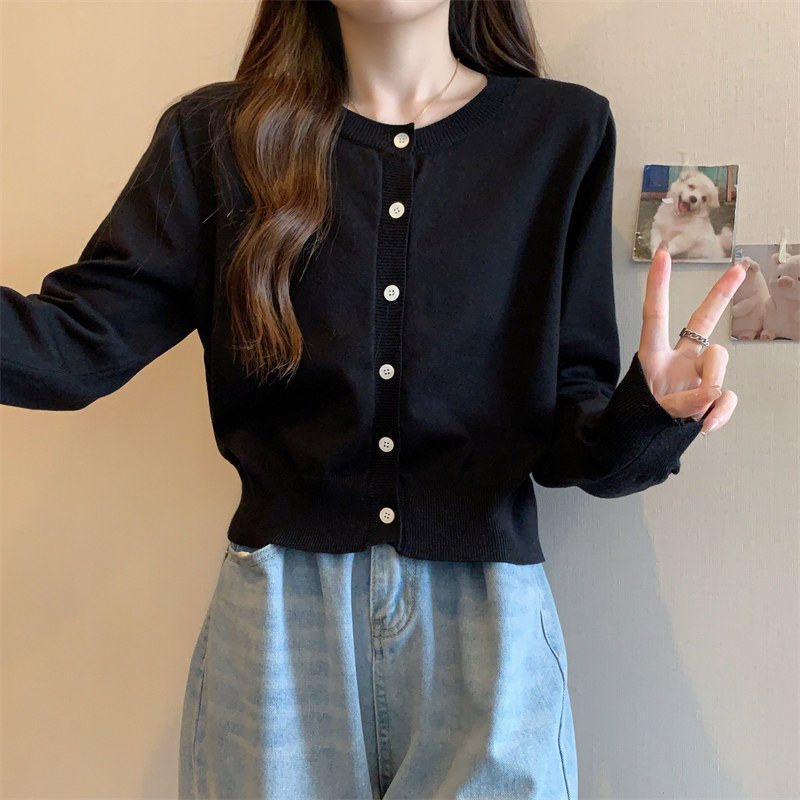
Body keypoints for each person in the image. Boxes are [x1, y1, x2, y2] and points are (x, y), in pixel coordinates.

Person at [0, 1, 745, 798]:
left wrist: (646, 416)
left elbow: (572, 432)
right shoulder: (217, 136)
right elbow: (73, 345)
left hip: (488, 622)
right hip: (279, 620)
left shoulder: (560, 133)